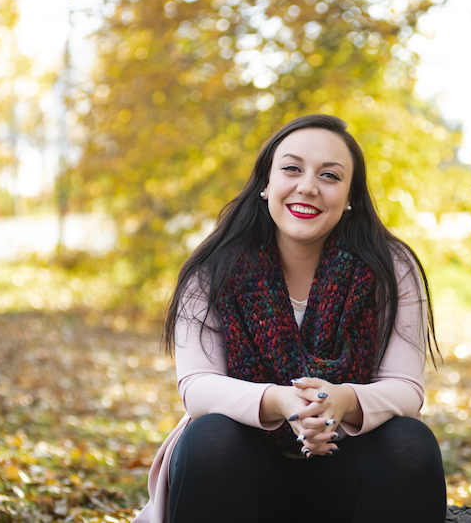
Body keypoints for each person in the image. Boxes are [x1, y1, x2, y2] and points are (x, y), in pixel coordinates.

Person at [132, 114, 446, 523]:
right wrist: (280, 401)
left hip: (347, 468)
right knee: (209, 436)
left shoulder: (390, 268)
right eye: (292, 168)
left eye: (330, 176)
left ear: (351, 194)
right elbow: (197, 386)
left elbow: (406, 388)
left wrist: (342, 400)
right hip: (245, 467)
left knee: (410, 441)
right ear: (266, 183)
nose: (308, 187)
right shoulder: (212, 268)